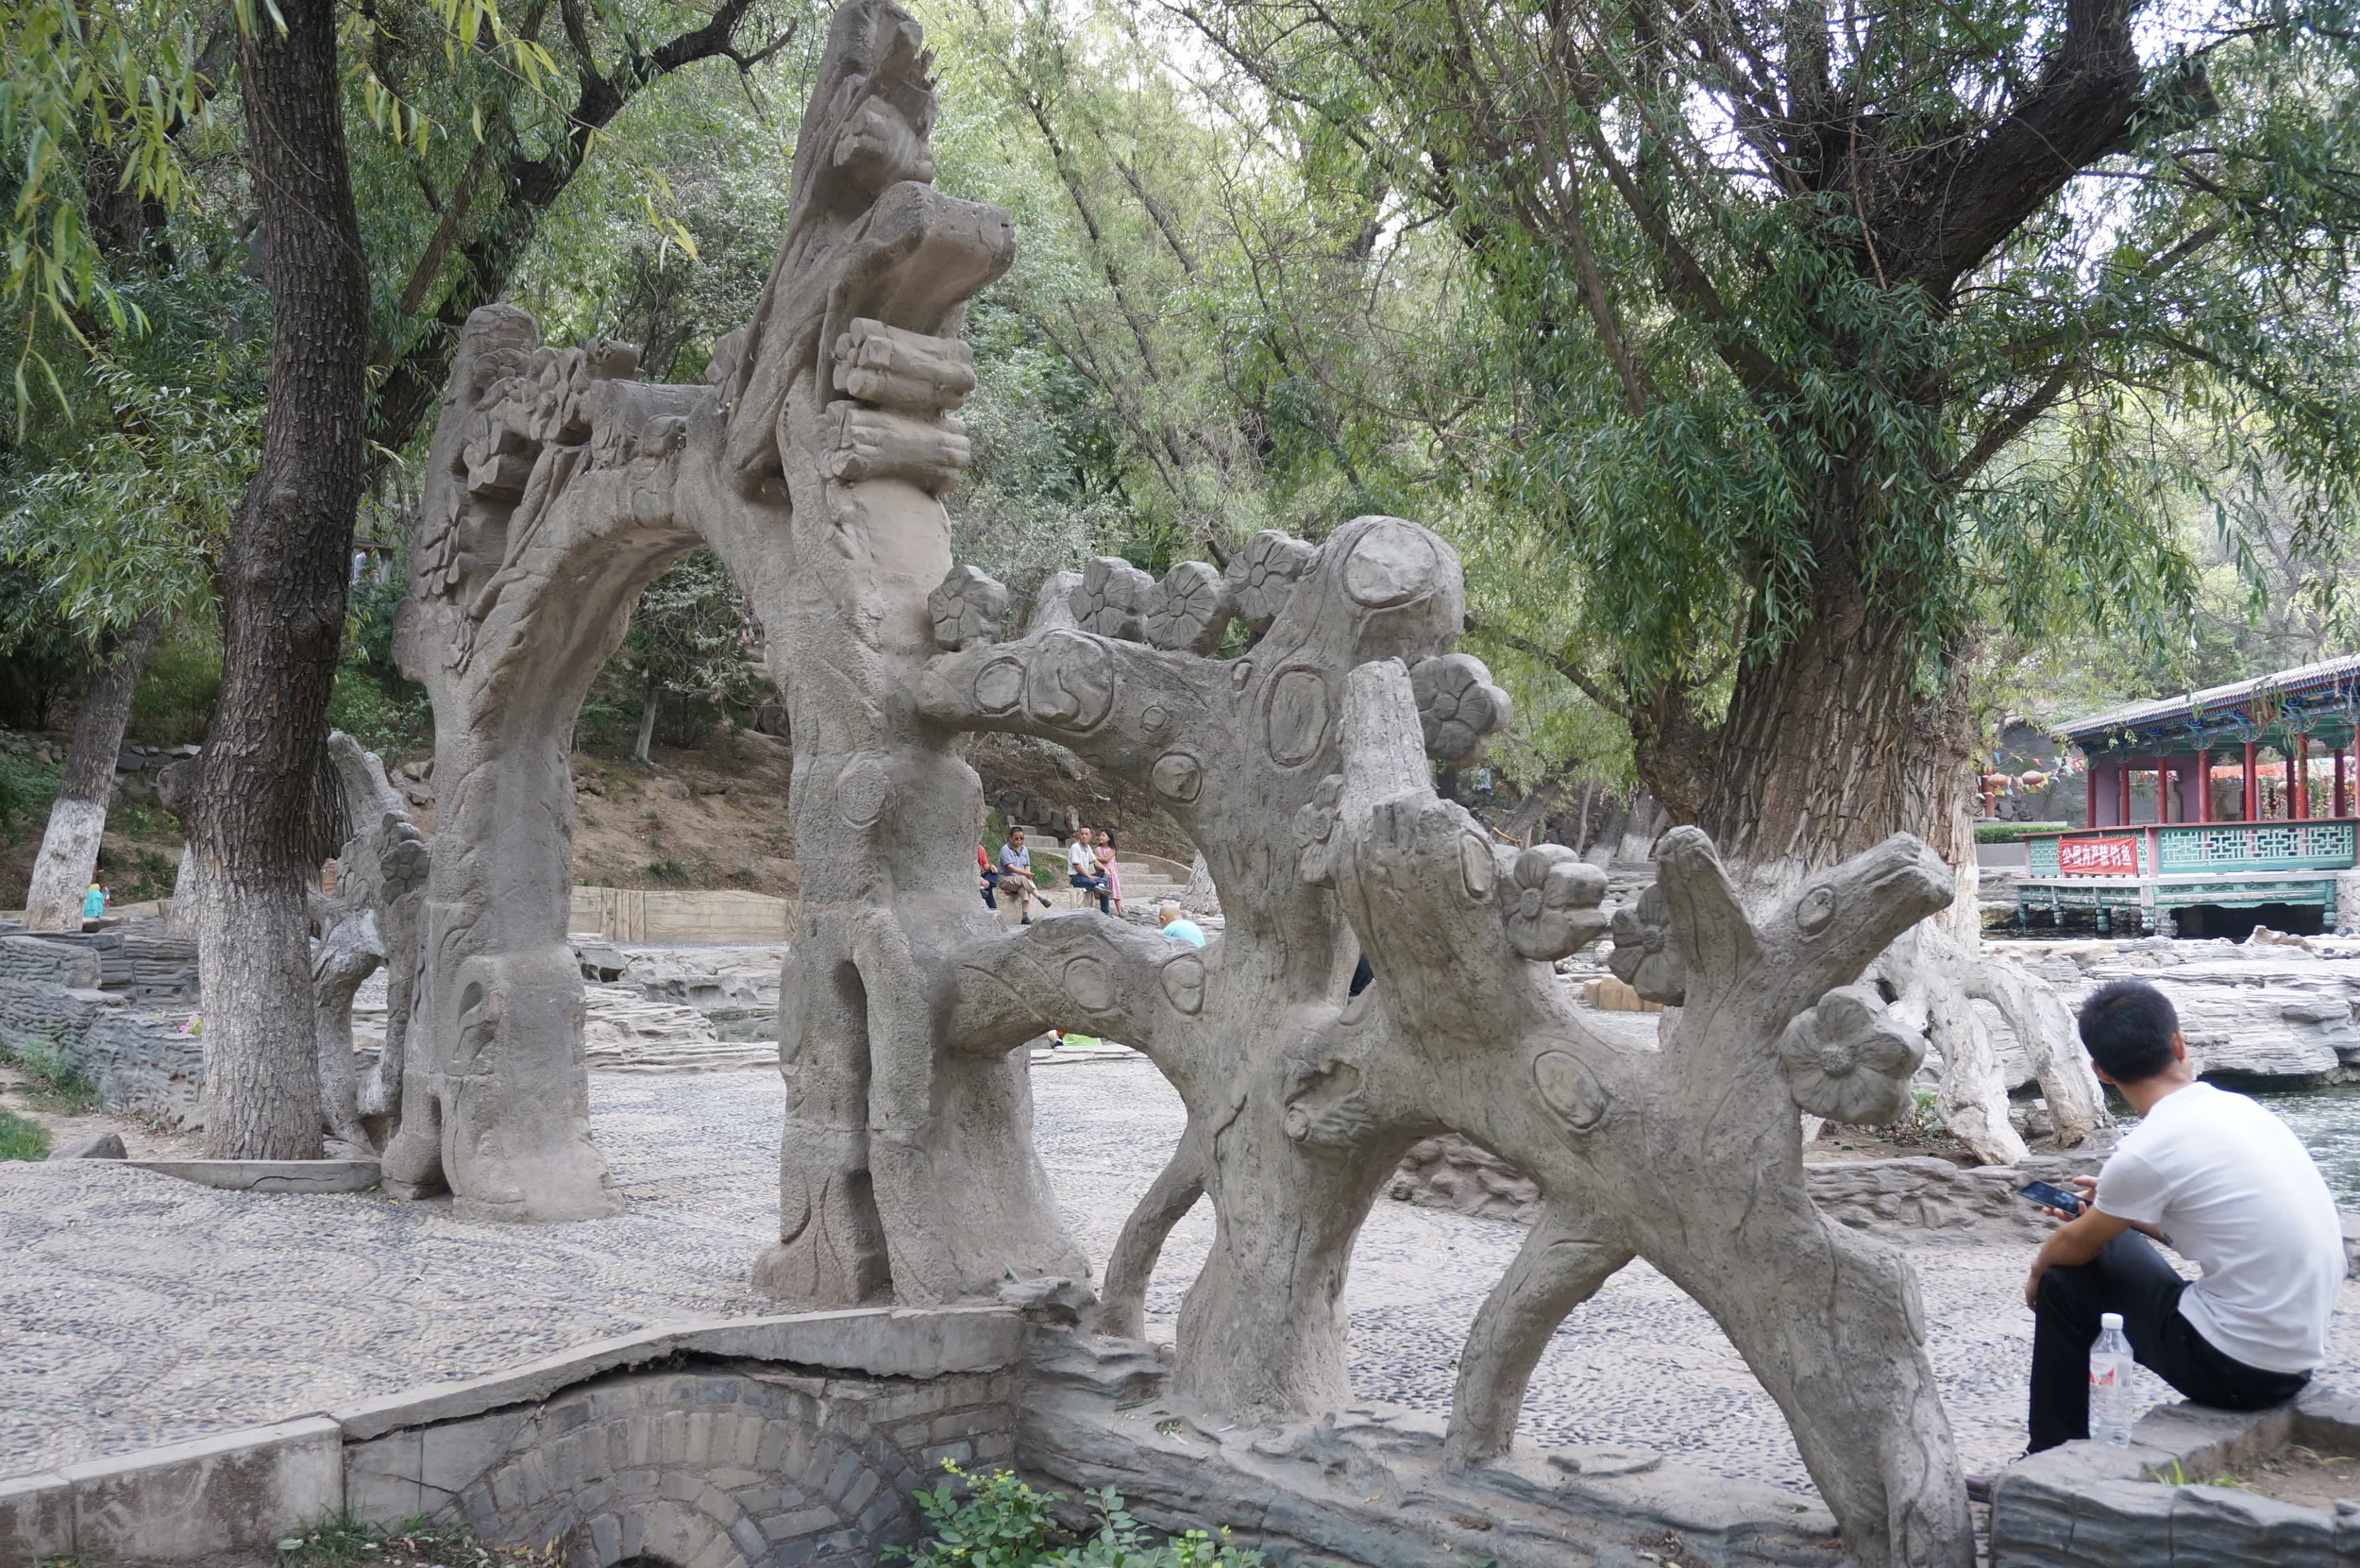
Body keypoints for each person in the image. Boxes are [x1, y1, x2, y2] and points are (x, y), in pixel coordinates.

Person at [2021, 978, 2341, 1453]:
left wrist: (2036, 1277)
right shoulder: (2239, 1109)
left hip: (2235, 1371)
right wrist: (2119, 1213)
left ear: (2101, 1072)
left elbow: (2073, 1248)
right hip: (2291, 1363)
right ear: (2178, 1043)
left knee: (2064, 1279)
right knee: (2107, 1237)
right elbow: (2215, 1229)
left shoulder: (2145, 1150)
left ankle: (2047, 1453)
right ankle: (2055, 1447)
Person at [998, 829, 1039, 926]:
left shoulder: (1024, 849)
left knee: (1024, 888)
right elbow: (1010, 868)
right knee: (1023, 879)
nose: (1019, 840)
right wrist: (1025, 875)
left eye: (1022, 838)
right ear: (1010, 838)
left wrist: (1028, 874)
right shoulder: (1005, 849)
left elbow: (1027, 865)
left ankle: (1025, 916)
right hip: (1005, 879)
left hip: (1020, 881)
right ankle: (1039, 897)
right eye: (1016, 838)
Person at [1067, 825, 1109, 914]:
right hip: (1076, 878)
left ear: (1090, 836)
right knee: (1103, 888)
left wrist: (1105, 869)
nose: (1084, 836)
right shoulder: (1075, 847)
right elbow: (1077, 867)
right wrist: (1090, 876)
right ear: (1079, 835)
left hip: (1085, 876)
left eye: (1086, 834)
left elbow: (1095, 861)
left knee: (1103, 874)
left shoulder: (1088, 848)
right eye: (1082, 834)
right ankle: (1106, 912)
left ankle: (1101, 885)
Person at [1096, 831, 1123, 916]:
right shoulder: (1097, 849)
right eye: (1100, 835)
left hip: (1112, 873)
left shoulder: (1112, 850)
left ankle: (1119, 912)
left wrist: (1094, 857)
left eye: (1103, 835)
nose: (1101, 837)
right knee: (1104, 893)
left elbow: (1107, 859)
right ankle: (1105, 910)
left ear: (1109, 838)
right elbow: (1096, 862)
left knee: (1116, 894)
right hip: (1102, 873)